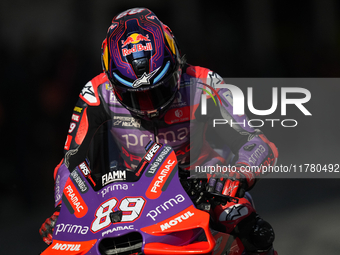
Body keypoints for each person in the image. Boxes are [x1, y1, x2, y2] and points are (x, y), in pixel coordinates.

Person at [39, 7, 278, 255]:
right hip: (132, 196)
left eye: (158, 90)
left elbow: (257, 142)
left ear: (175, 62)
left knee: (254, 231)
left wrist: (237, 173)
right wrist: (62, 210)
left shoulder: (204, 83)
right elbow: (70, 161)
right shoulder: (96, 93)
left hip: (203, 187)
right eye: (133, 96)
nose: (149, 107)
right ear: (111, 79)